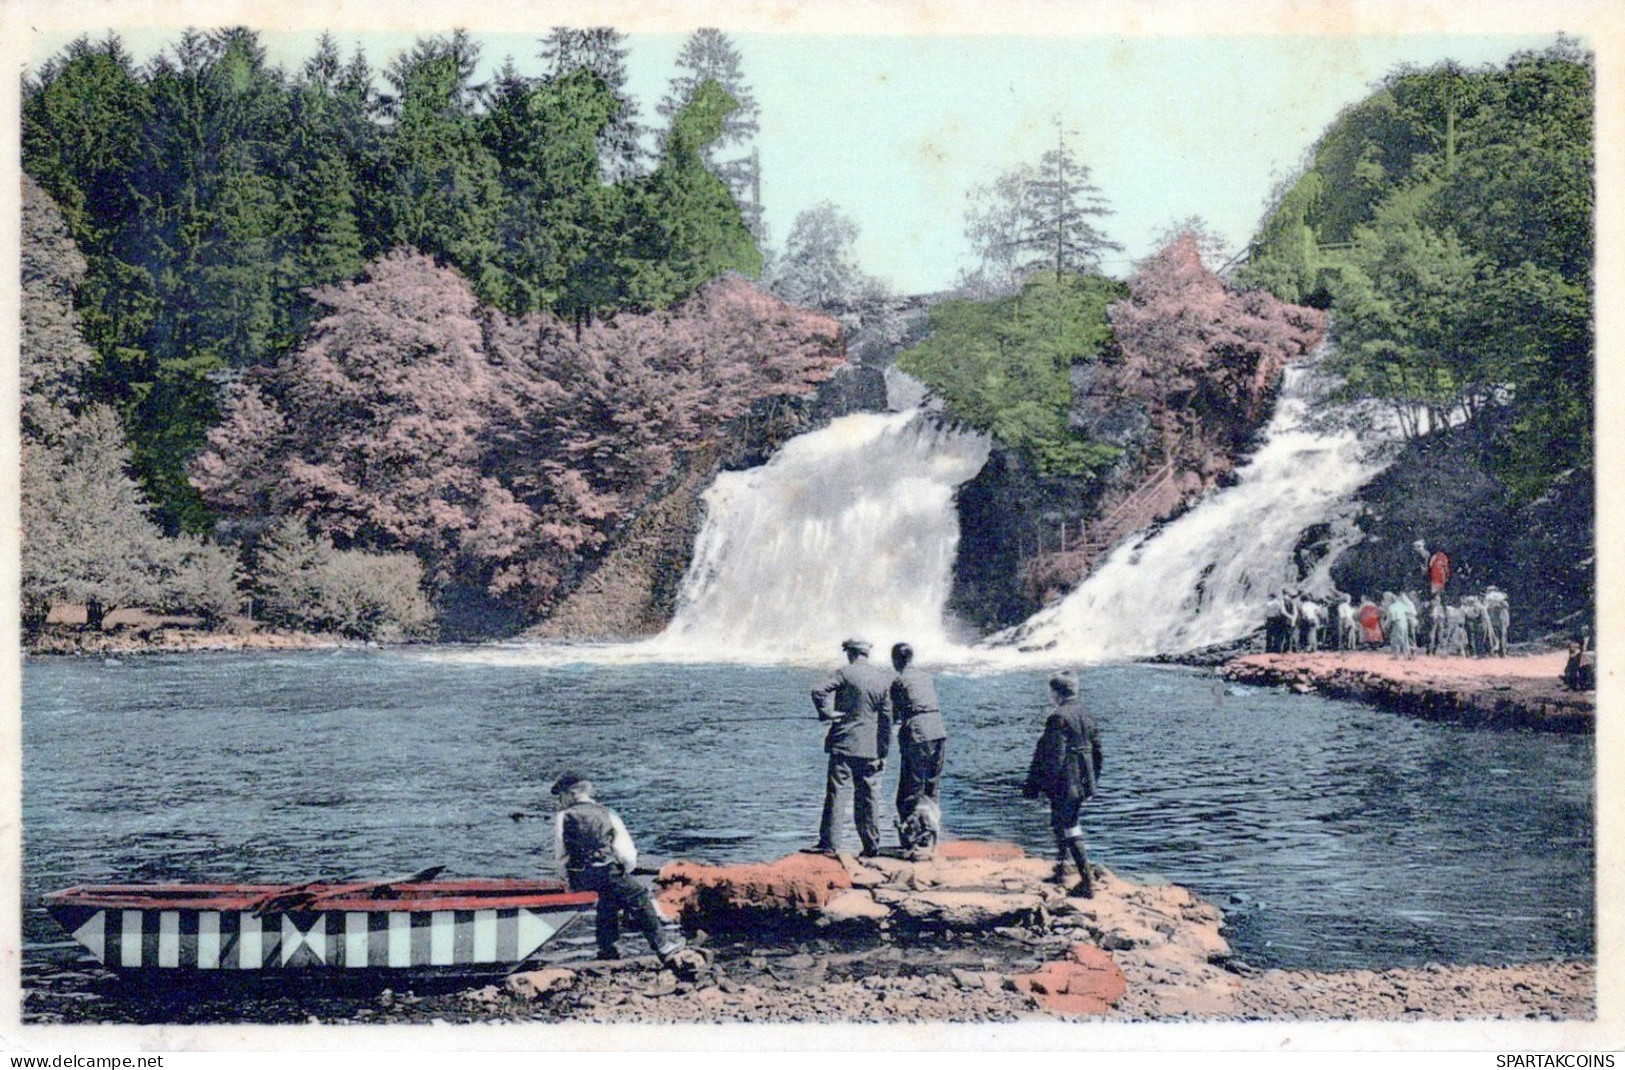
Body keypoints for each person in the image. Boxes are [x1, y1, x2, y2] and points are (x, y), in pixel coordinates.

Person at [551, 772, 685, 964]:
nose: (560, 801)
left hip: (579, 875)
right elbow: (625, 852)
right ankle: (663, 947)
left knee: (608, 901)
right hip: (606, 871)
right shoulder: (606, 813)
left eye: (561, 796)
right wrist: (627, 868)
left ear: (571, 794)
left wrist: (567, 877)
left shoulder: (563, 816)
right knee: (638, 896)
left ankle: (607, 949)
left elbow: (560, 853)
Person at [808, 638, 894, 857]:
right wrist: (883, 751)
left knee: (837, 793)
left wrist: (825, 712)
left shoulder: (845, 673)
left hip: (844, 743)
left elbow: (818, 690)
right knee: (868, 796)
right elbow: (886, 720)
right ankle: (871, 846)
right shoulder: (883, 680)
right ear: (867, 654)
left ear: (851, 653)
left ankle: (829, 844)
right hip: (870, 748)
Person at [1023, 670, 1104, 899]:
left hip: (1065, 781)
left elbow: (1053, 756)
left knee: (1068, 826)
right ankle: (1061, 870)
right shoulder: (1086, 714)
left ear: (1056, 693)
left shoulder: (1058, 717)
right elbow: (1098, 752)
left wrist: (1039, 784)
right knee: (1060, 822)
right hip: (1082, 780)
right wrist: (1092, 782)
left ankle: (1086, 882)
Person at [889, 642, 946, 860]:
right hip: (938, 731)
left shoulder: (899, 681)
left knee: (909, 792)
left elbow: (894, 715)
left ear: (896, 660)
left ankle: (910, 841)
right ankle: (927, 840)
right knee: (931, 788)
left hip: (918, 735)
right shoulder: (926, 677)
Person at [1483, 586, 1510, 657]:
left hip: (1500, 619)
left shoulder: (1501, 599)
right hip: (1493, 620)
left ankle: (1502, 652)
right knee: (1493, 636)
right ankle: (1494, 651)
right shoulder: (1488, 600)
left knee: (1501, 635)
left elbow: (1506, 606)